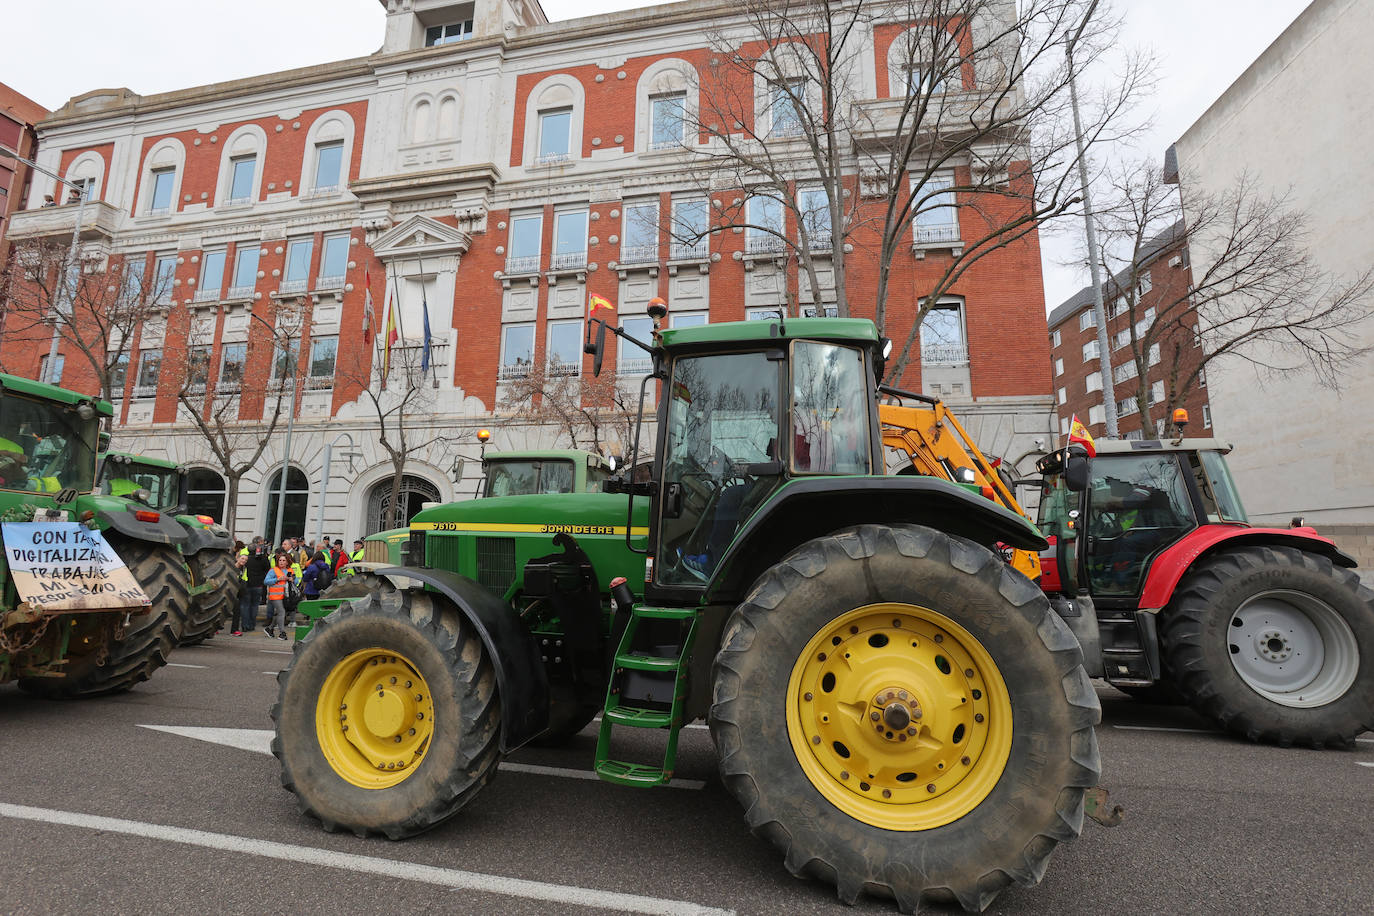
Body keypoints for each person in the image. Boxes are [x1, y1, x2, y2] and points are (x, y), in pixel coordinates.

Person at [237, 537, 270, 635]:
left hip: (246, 584)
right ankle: (251, 625)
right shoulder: (263, 558)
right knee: (254, 606)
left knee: (245, 605)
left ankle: (245, 625)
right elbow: (267, 569)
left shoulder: (246, 559)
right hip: (258, 585)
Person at [262, 552, 295, 640]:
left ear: (287, 562)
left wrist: (292, 579)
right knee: (281, 612)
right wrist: (277, 579)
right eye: (280, 560)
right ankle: (282, 633)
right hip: (275, 596)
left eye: (284, 560)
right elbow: (266, 581)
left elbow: (296, 582)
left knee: (280, 613)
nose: (281, 562)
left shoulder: (290, 571)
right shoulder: (273, 570)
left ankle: (270, 628)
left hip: (286, 597)